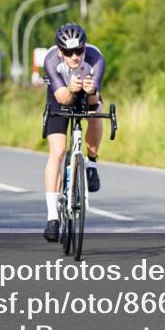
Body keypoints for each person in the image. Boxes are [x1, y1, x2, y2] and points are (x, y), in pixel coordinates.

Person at [40, 23, 106, 242]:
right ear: (60, 51)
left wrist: (91, 90)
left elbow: (94, 101)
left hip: (86, 93)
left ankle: (92, 164)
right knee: (57, 152)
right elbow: (63, 99)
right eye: (69, 52)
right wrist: (71, 89)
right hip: (61, 95)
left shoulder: (96, 57)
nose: (75, 57)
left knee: (96, 113)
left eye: (79, 50)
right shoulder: (51, 60)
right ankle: (52, 218)